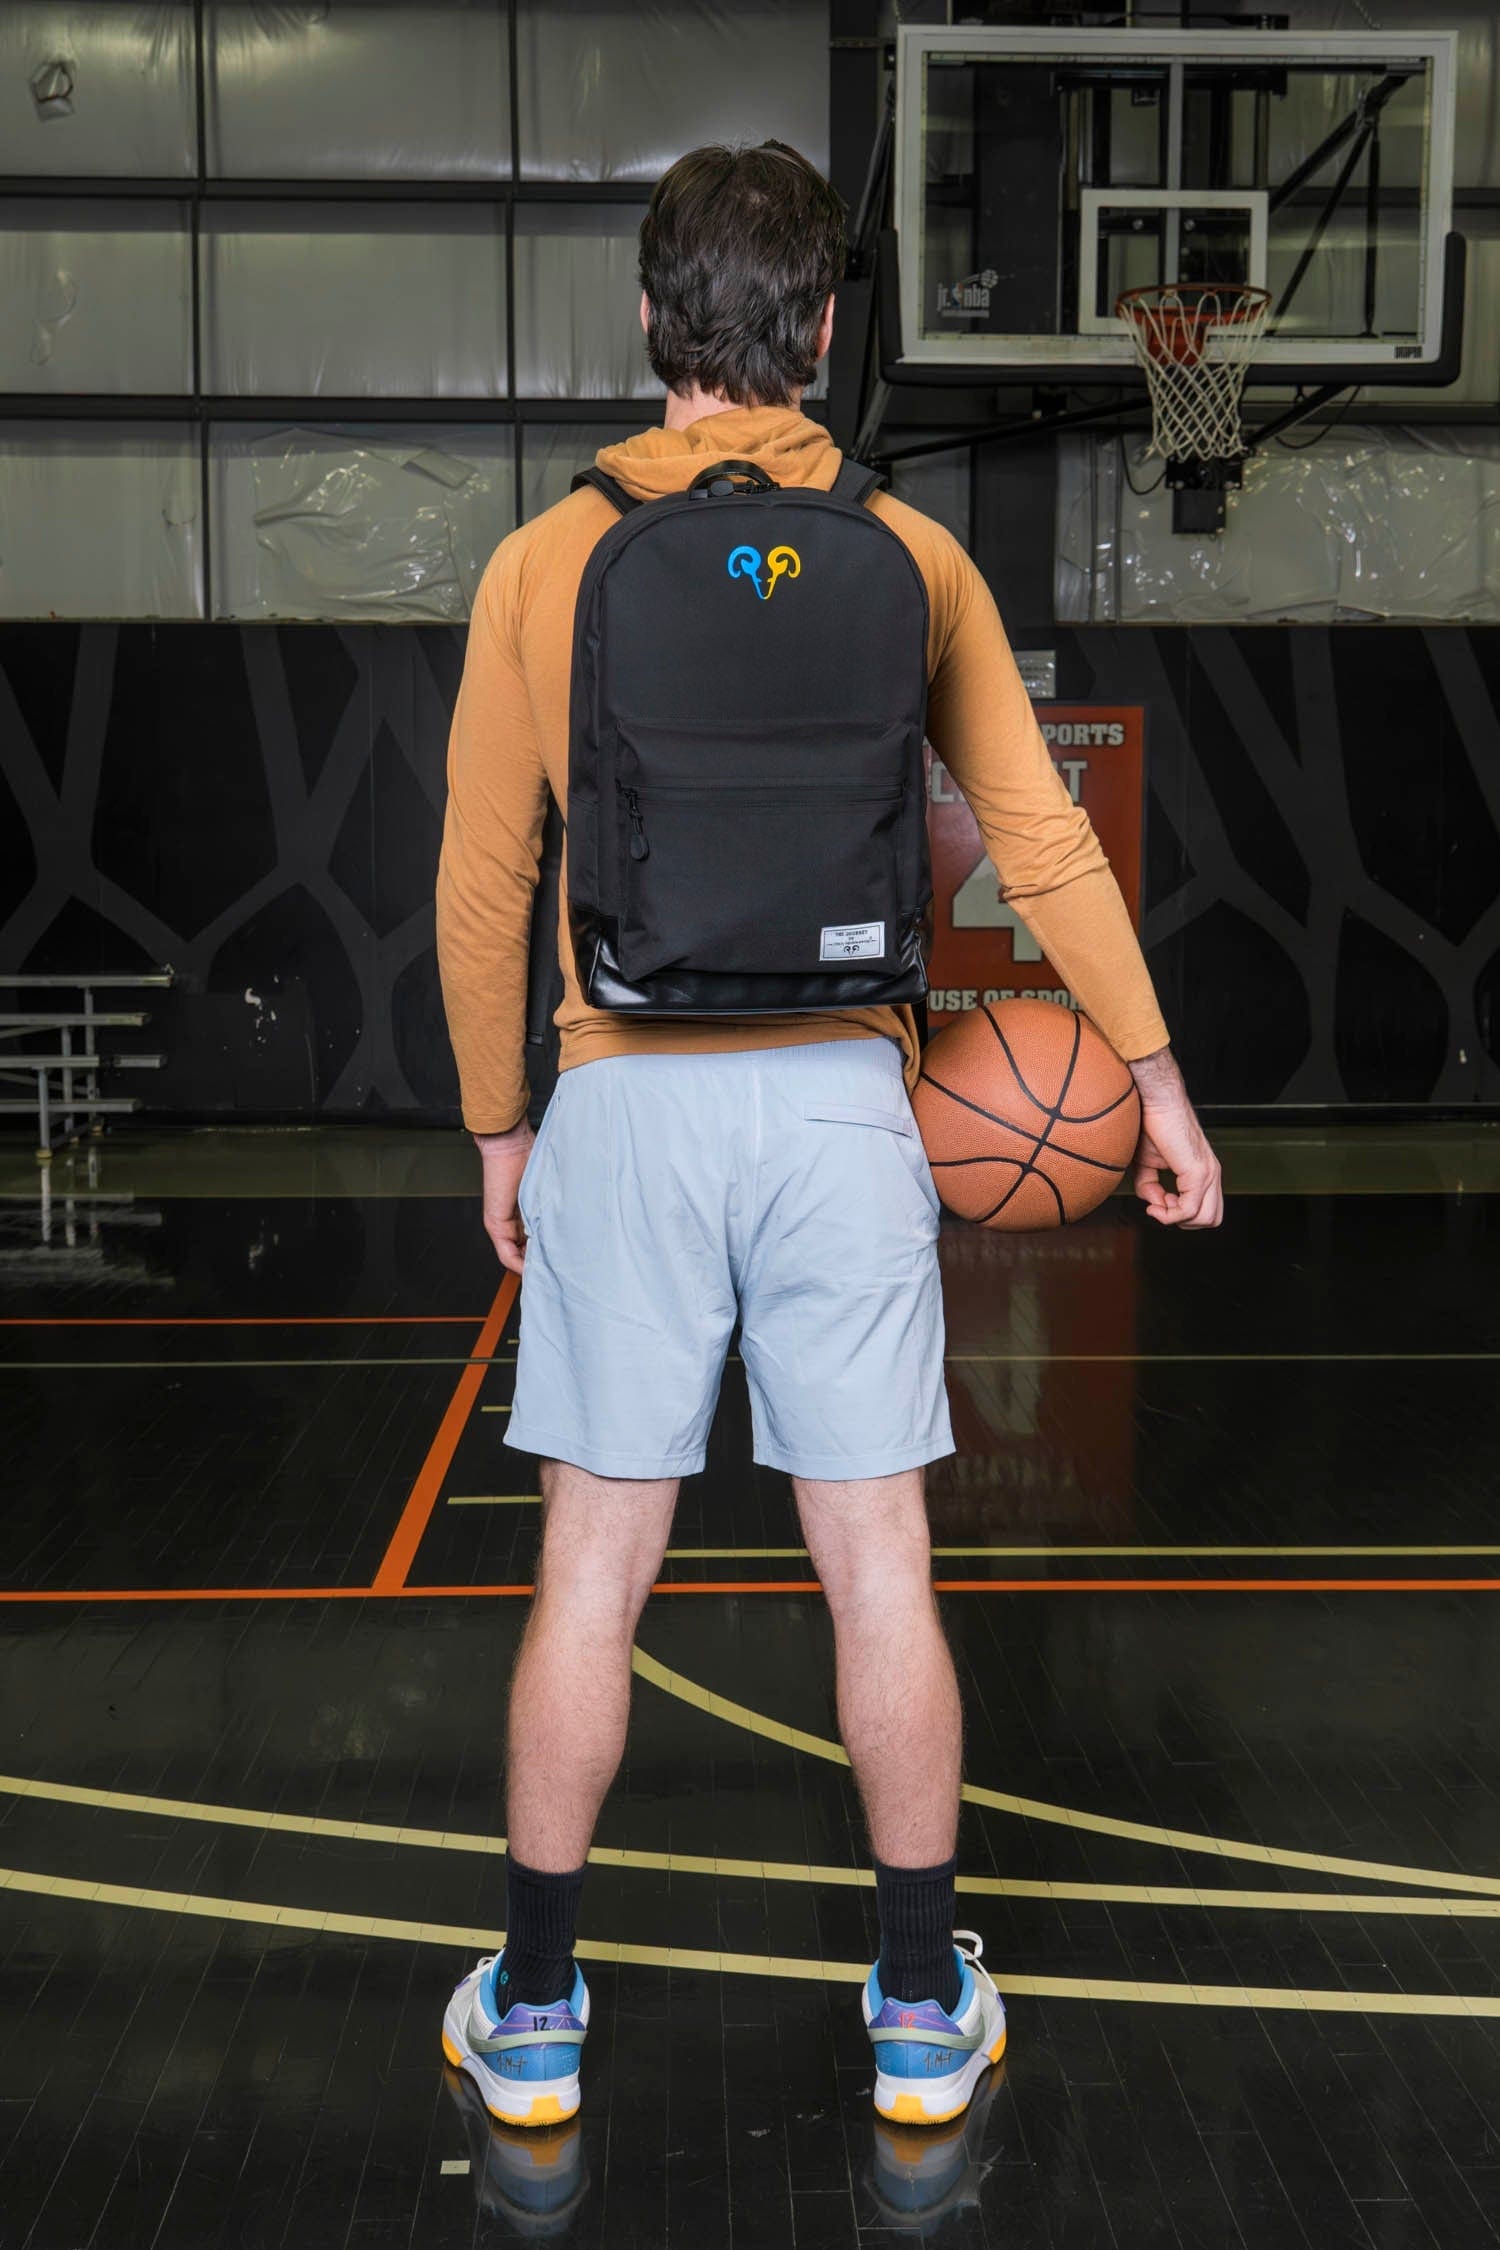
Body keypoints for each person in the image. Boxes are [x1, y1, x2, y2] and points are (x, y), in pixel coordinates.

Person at [435, 139, 1224, 2133]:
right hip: (843, 1109)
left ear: (651, 316)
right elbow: (1036, 843)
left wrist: (498, 1128)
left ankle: (536, 2009)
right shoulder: (915, 558)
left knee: (592, 1573)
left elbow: (482, 879)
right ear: (823, 327)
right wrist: (1152, 1078)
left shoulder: (544, 562)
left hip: (623, 1096)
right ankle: (919, 2007)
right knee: (880, 1568)